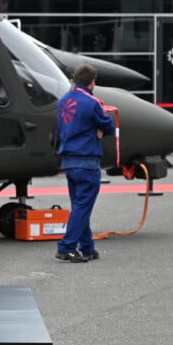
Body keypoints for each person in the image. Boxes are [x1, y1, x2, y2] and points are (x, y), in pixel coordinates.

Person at [55, 63, 115, 263]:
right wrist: (98, 129)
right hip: (86, 160)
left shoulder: (63, 100)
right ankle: (67, 247)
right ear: (92, 82)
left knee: (80, 205)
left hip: (68, 161)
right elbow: (108, 125)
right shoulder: (92, 102)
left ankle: (87, 247)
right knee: (83, 206)